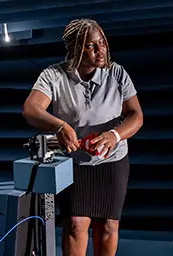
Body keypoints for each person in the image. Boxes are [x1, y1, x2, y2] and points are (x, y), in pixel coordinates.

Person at [21, 18, 144, 256]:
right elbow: (31, 109)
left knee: (109, 225)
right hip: (75, 162)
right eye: (91, 46)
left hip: (113, 161)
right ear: (75, 49)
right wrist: (59, 127)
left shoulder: (116, 73)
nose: (101, 51)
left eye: (102, 43)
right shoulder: (53, 76)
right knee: (76, 224)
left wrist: (115, 135)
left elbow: (136, 115)